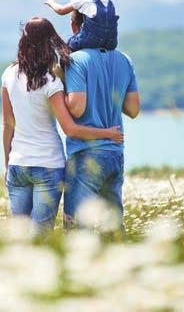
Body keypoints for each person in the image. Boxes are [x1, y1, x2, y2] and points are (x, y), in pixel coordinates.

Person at [1, 17, 124, 233]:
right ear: (50, 42)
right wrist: (106, 133)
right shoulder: (51, 81)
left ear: (24, 40)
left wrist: (7, 163)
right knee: (42, 236)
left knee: (19, 236)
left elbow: (7, 125)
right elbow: (70, 129)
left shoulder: (8, 74)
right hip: (48, 164)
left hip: (18, 164)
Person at [62, 14, 140, 229]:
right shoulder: (125, 60)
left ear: (75, 25)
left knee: (78, 228)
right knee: (113, 227)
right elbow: (133, 110)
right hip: (115, 152)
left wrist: (59, 89)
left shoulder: (76, 60)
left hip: (85, 153)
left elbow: (77, 107)